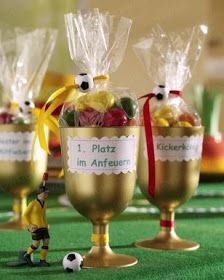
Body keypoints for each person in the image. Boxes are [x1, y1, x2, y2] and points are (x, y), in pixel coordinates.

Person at [23, 172, 50, 267]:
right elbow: (25, 215)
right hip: (35, 227)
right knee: (36, 244)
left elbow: (44, 215)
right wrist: (29, 225)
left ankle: (42, 260)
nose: (46, 195)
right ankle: (27, 255)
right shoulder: (33, 203)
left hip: (43, 226)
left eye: (47, 193)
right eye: (45, 193)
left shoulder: (45, 204)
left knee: (46, 241)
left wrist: (46, 224)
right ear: (39, 193)